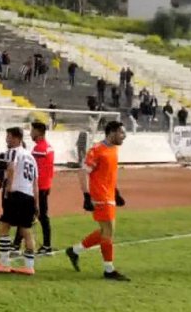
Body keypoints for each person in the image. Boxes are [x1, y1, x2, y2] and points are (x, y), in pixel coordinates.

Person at [66, 121, 131, 282]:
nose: (124, 136)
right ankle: (109, 270)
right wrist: (87, 196)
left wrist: (116, 192)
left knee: (105, 231)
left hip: (109, 195)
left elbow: (110, 173)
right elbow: (83, 172)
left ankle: (74, 251)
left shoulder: (114, 149)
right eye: (121, 133)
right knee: (108, 231)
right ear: (112, 133)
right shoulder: (97, 150)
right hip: (100, 196)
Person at [0, 127, 39, 275]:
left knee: (4, 227)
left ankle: (4, 263)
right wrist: (36, 204)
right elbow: (35, 182)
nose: (6, 139)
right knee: (26, 231)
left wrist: (8, 188)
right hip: (28, 196)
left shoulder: (13, 151)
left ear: (17, 138)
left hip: (16, 194)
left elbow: (11, 168)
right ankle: (29, 266)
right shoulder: (31, 157)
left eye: (8, 137)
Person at [13, 122, 55, 255]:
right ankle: (45, 245)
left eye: (32, 131)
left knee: (26, 215)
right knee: (40, 216)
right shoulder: (49, 147)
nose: (31, 133)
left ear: (38, 132)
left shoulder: (39, 149)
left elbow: (31, 168)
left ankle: (17, 245)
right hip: (46, 185)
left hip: (37, 187)